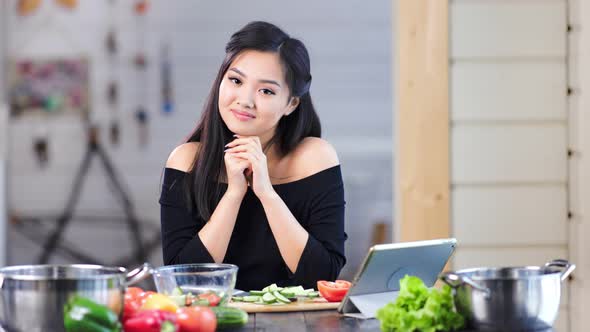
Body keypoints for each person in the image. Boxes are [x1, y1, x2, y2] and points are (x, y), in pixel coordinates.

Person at [159, 21, 347, 291]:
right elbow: (185, 280)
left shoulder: (315, 157)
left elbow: (321, 276)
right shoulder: (187, 161)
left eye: (266, 91)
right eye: (235, 80)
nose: (245, 100)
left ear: (291, 103)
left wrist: (266, 193)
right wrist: (234, 193)